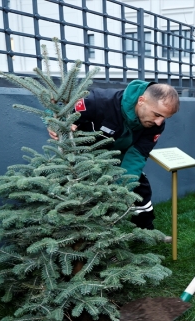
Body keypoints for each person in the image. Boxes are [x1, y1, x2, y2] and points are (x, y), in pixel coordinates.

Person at [48, 80, 180, 233]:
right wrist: (55, 123)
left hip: (119, 156)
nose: (159, 122)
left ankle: (146, 231)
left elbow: (137, 154)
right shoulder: (99, 101)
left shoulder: (156, 124)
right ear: (141, 101)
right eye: (157, 114)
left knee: (140, 188)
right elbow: (59, 108)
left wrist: (121, 189)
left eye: (164, 118)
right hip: (82, 157)